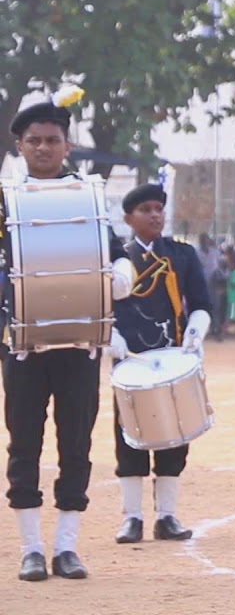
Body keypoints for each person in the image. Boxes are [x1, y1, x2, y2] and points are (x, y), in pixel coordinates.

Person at [3, 90, 134, 581]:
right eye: (33, 140)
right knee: (24, 445)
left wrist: (120, 274)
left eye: (52, 140)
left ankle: (67, 546)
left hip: (80, 342)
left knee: (75, 443)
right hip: (22, 344)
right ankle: (31, 547)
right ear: (19, 145)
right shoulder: (4, 202)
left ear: (67, 146)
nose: (42, 148)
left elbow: (117, 250)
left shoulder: (89, 195)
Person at [108, 184, 212, 545]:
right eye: (145, 210)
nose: (154, 215)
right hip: (130, 361)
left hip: (171, 355)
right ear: (128, 218)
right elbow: (101, 304)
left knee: (175, 436)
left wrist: (196, 332)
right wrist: (110, 337)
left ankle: (167, 516)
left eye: (158, 209)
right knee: (129, 438)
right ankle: (132, 518)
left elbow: (200, 301)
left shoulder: (181, 255)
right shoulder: (116, 258)